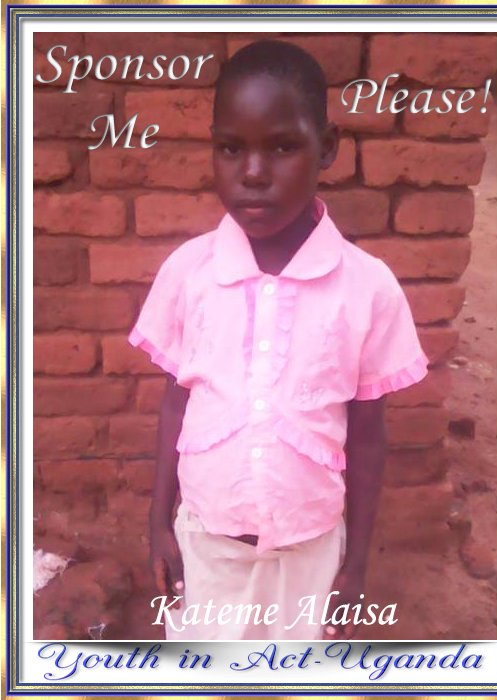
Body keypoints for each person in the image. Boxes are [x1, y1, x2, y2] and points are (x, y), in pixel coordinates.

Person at [128, 40, 428, 641]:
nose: (254, 173)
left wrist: (356, 565)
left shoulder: (368, 288)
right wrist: (158, 522)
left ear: (327, 148)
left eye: (283, 147)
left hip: (310, 554)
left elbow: (368, 436)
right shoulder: (188, 273)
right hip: (206, 546)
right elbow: (176, 405)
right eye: (231, 148)